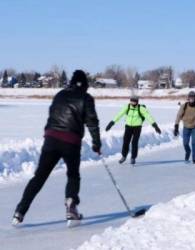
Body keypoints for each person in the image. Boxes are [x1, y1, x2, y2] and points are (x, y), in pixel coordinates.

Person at [12, 70, 101, 225]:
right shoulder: (86, 98)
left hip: (51, 139)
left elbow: (52, 114)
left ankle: (19, 211)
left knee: (39, 177)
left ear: (72, 82)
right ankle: (71, 208)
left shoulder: (60, 94)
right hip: (71, 141)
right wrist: (96, 143)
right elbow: (92, 122)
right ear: (85, 84)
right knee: (73, 175)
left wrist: (49, 134)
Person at [105, 95, 161, 165]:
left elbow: (149, 117)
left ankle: (133, 158)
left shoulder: (141, 108)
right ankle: (124, 156)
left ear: (137, 102)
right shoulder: (127, 107)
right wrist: (111, 123)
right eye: (131, 101)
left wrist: (155, 126)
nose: (131, 103)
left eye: (133, 101)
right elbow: (119, 114)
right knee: (126, 141)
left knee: (134, 142)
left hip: (137, 128)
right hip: (128, 127)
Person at [174, 91, 195, 164]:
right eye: (190, 97)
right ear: (188, 98)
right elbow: (178, 116)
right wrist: (176, 126)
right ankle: (188, 151)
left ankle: (194, 157)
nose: (191, 99)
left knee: (194, 142)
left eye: (193, 97)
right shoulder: (184, 106)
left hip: (194, 127)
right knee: (185, 143)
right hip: (186, 127)